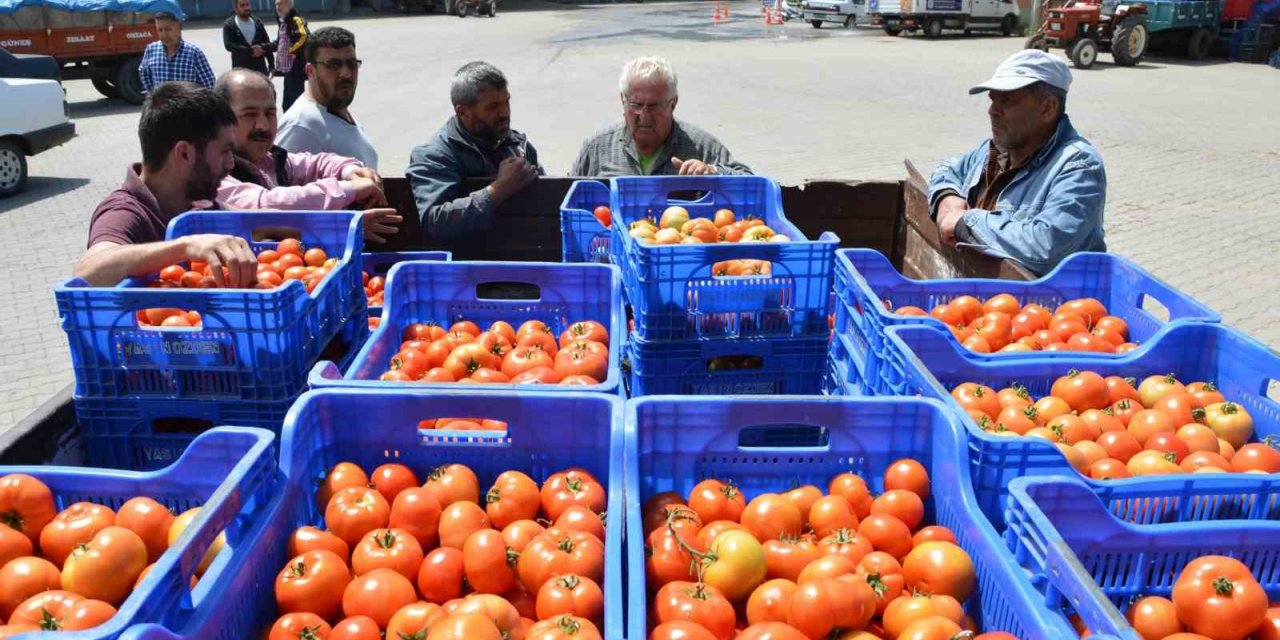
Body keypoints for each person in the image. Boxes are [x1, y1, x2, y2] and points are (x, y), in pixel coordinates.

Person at [929, 49, 1107, 276]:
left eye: (1007, 100)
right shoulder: (995, 150)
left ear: (1048, 108)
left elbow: (1047, 246)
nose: (992, 111)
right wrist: (947, 199)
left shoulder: (1079, 166)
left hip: (1045, 298)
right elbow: (948, 170)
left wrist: (966, 222)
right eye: (993, 100)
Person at [74, 82, 257, 287]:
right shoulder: (124, 212)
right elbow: (87, 272)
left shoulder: (197, 203)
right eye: (224, 151)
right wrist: (186, 247)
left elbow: (253, 222)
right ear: (184, 153)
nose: (230, 163)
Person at [213, 70, 402, 244]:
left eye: (270, 113)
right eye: (250, 114)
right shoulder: (214, 173)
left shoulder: (269, 160)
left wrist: (351, 171)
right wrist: (348, 191)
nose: (262, 125)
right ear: (221, 119)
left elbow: (316, 163)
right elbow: (267, 205)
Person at [405, 62, 542, 241]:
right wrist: (499, 189)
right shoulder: (435, 155)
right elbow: (435, 221)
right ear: (463, 112)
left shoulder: (518, 146)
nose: (504, 113)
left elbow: (547, 202)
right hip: (466, 256)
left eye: (506, 102)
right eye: (493, 107)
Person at [572, 56, 751, 177]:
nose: (644, 116)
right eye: (636, 105)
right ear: (623, 101)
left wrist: (713, 172)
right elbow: (564, 195)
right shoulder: (597, 149)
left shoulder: (702, 148)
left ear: (673, 104)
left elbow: (750, 181)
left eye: (654, 106)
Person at [276, 27, 378, 169]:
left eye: (352, 64)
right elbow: (281, 178)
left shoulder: (336, 109)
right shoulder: (302, 126)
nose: (346, 73)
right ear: (310, 71)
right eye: (334, 65)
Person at [138, 13, 216, 92]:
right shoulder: (151, 50)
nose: (164, 35)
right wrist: (154, 94)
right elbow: (144, 73)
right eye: (160, 30)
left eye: (168, 30)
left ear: (179, 28)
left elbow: (210, 85)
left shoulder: (193, 53)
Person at [273, 0, 310, 112]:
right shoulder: (283, 21)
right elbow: (280, 43)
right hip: (288, 70)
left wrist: (293, 51)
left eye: (280, 4)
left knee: (296, 103)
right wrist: (264, 48)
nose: (277, 7)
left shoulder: (296, 20)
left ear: (288, 5)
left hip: (296, 69)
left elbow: (304, 36)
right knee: (287, 104)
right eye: (276, 4)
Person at [223, 0, 274, 76]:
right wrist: (250, 51)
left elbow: (266, 42)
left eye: (247, 4)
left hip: (260, 69)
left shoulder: (257, 22)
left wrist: (271, 65)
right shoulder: (230, 25)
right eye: (242, 5)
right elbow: (229, 45)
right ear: (236, 8)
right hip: (240, 71)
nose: (246, 8)